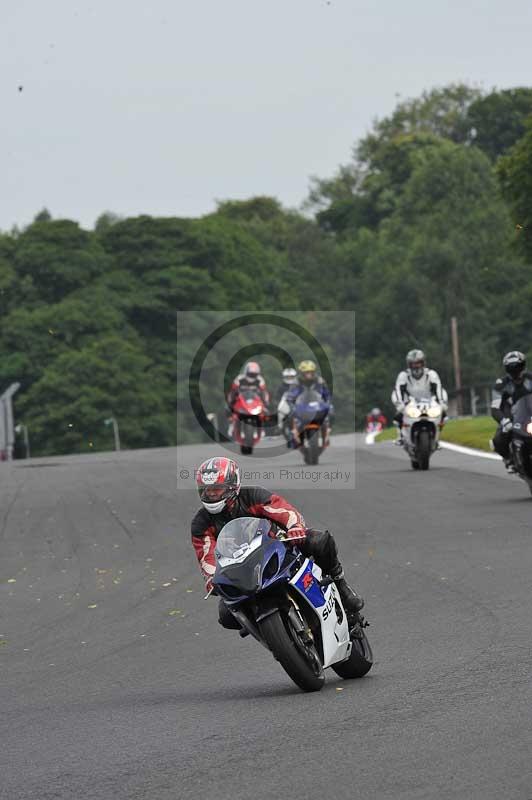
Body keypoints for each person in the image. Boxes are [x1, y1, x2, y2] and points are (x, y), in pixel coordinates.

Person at [191, 456, 364, 631]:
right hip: (241, 570)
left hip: (278, 547)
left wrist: (294, 527)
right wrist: (212, 578)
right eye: (206, 490)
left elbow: (283, 509)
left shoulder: (252, 495)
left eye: (216, 488)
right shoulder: (201, 522)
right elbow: (206, 556)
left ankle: (341, 586)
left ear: (232, 486)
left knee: (320, 541)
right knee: (226, 615)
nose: (211, 494)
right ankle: (269, 634)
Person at [392, 349, 447, 444]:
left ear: (423, 363)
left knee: (444, 415)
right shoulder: (403, 375)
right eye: (413, 364)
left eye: (418, 363)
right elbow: (398, 390)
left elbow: (438, 388)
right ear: (409, 364)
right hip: (409, 401)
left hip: (430, 400)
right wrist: (399, 404)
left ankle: (437, 437)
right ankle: (400, 435)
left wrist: (441, 402)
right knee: (398, 416)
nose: (416, 366)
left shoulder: (431, 374)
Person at [491, 351, 532, 471]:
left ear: (523, 366)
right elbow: (495, 407)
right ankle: (509, 459)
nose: (515, 371)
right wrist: (504, 421)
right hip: (511, 416)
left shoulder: (530, 378)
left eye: (518, 367)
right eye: (511, 368)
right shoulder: (500, 385)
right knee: (498, 439)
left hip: (530, 412)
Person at [286, 360, 332, 448]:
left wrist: (328, 401)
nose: (309, 374)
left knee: (331, 412)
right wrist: (290, 400)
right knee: (289, 414)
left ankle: (327, 434)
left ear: (314, 371)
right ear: (302, 372)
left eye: (311, 372)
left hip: (317, 405)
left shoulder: (319, 380)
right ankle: (292, 436)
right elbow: (292, 394)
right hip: (302, 405)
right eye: (306, 372)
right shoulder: (296, 381)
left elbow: (326, 393)